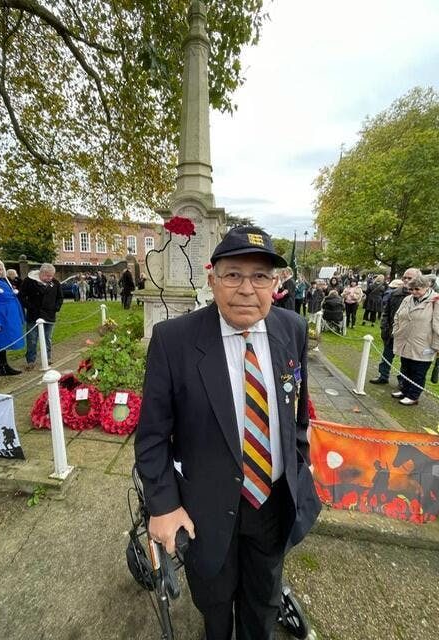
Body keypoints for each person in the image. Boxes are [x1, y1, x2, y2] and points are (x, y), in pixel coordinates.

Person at [135, 226, 321, 640]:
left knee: (263, 599)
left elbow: (297, 415)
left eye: (260, 276)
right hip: (204, 510)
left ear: (275, 284)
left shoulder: (292, 329)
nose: (246, 289)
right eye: (233, 274)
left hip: (272, 503)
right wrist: (163, 506)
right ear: (212, 278)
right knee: (215, 603)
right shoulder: (174, 340)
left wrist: (300, 466)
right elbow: (151, 437)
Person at [391, 274, 439, 405]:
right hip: (406, 340)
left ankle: (413, 395)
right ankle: (404, 390)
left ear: (426, 287)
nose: (414, 292)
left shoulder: (435, 301)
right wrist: (396, 330)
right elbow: (398, 315)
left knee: (418, 372)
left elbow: (438, 325)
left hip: (424, 343)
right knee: (405, 368)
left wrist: (436, 346)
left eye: (417, 289)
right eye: (411, 289)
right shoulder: (408, 299)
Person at [369, 269, 421, 385]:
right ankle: (383, 375)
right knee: (387, 354)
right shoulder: (395, 293)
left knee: (406, 360)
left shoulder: (420, 296)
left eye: (410, 278)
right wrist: (384, 327)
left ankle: (403, 381)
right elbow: (386, 312)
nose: (406, 280)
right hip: (392, 330)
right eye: (404, 277)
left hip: (410, 334)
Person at [19, 263, 63, 370]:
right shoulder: (29, 281)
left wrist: (56, 307)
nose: (50, 278)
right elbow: (21, 296)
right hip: (34, 315)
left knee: (47, 338)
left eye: (51, 276)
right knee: (32, 339)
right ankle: (31, 360)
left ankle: (47, 358)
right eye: (47, 276)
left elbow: (60, 297)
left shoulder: (55, 283)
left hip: (49, 315)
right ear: (41, 273)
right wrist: (30, 307)